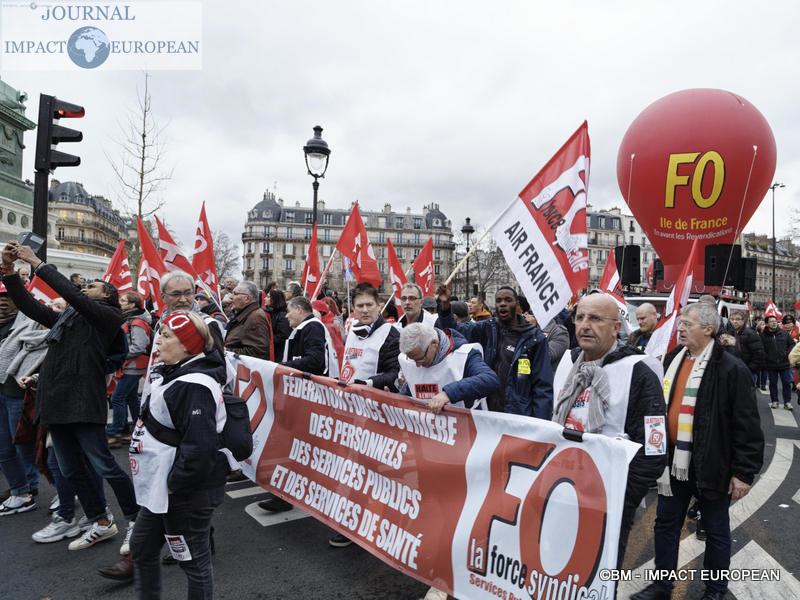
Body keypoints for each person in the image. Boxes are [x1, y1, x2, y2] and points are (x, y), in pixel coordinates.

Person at [1, 241, 138, 551]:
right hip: (56, 401)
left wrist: (37, 261)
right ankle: (100, 521)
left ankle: (135, 520)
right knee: (70, 468)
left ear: (106, 296)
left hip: (82, 402)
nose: (84, 288)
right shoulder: (70, 316)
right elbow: (30, 306)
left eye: (91, 286)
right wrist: (8, 271)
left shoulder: (107, 317)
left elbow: (72, 294)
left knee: (105, 466)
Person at [631, 303, 764, 600]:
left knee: (716, 531)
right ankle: (662, 586)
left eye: (687, 323)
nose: (680, 328)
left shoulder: (731, 368)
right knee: (665, 525)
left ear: (708, 329)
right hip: (672, 463)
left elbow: (748, 425)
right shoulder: (672, 359)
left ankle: (715, 590)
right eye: (680, 323)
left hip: (712, 464)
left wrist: (743, 473)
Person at [552, 293, 666, 568]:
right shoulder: (566, 362)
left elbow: (654, 449)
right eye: (580, 318)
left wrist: (621, 496)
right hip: (561, 491)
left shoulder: (639, 371)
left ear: (616, 327)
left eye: (595, 319)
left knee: (597, 573)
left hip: (609, 499)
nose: (584, 325)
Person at [127, 311, 232, 599]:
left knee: (193, 562)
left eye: (166, 335)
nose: (157, 341)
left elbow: (200, 448)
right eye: (159, 333)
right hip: (163, 488)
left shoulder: (194, 386)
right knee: (141, 546)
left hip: (181, 492)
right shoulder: (173, 373)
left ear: (187, 345)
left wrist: (175, 485)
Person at [437, 285, 552, 418]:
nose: (503, 304)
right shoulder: (489, 327)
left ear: (517, 304)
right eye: (499, 301)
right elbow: (456, 330)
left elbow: (543, 387)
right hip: (487, 415)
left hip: (518, 417)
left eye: (508, 300)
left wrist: (540, 427)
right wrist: (445, 305)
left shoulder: (534, 338)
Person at [0, 287, 40, 514]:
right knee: (3, 449)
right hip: (1, 394)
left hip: (18, 395)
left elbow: (37, 349)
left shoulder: (30, 324)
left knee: (24, 445)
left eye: (8, 296)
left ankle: (35, 487)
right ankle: (20, 491)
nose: (3, 302)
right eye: (0, 297)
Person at [398, 323, 500, 413]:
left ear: (434, 344)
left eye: (421, 359)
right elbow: (412, 388)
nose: (417, 365)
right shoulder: (413, 358)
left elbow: (490, 379)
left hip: (466, 428)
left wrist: (449, 393)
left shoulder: (464, 355)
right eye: (413, 360)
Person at [107, 291, 152, 448]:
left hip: (134, 366)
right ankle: (137, 430)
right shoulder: (131, 319)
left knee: (117, 398)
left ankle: (115, 433)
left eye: (124, 301)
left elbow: (139, 346)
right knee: (131, 398)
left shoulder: (137, 322)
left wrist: (119, 355)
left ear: (132, 305)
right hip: (132, 364)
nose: (120, 302)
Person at [340, 283, 400, 390]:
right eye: (360, 306)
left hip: (373, 400)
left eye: (369, 305)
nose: (365, 310)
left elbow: (395, 374)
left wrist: (368, 383)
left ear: (378, 306)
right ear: (353, 308)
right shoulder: (352, 329)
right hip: (347, 399)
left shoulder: (390, 333)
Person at [225, 280, 272, 360]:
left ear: (247, 298)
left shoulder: (256, 318)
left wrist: (226, 351)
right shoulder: (246, 314)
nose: (231, 297)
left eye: (235, 294)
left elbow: (258, 352)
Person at [760, 314, 795, 410]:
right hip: (771, 364)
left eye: (775, 321)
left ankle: (787, 402)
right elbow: (760, 349)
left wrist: (787, 353)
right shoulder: (762, 336)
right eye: (771, 321)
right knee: (773, 384)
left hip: (784, 363)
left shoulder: (784, 333)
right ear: (767, 324)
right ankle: (774, 401)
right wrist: (766, 357)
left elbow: (792, 344)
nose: (774, 323)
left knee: (787, 383)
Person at [727, 309, 764, 383]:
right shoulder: (728, 334)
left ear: (743, 321)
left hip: (748, 372)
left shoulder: (751, 334)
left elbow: (759, 354)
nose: (734, 321)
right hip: (733, 372)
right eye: (732, 319)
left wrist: (750, 369)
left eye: (737, 319)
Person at [313, 300, 344, 368]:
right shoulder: (319, 323)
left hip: (332, 363)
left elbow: (340, 344)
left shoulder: (332, 325)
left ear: (320, 312)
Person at [265, 289, 291, 361]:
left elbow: (283, 336)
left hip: (278, 354)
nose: (265, 298)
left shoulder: (283, 316)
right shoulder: (271, 312)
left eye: (268, 297)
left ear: (274, 299)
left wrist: (266, 339)